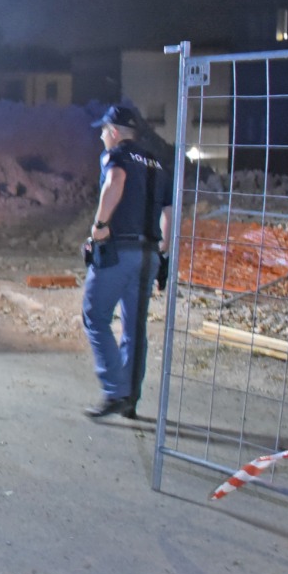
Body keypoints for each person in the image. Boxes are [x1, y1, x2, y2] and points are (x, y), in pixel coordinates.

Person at [82, 105, 172, 420]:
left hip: (119, 250)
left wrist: (99, 226)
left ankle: (115, 391)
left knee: (95, 316)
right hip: (149, 255)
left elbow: (115, 181)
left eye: (103, 131)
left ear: (115, 132)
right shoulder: (158, 164)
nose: (101, 137)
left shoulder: (116, 156)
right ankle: (131, 398)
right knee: (135, 327)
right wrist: (164, 252)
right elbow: (170, 213)